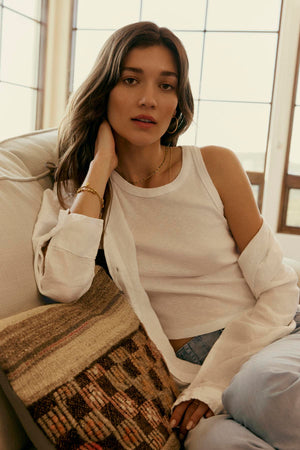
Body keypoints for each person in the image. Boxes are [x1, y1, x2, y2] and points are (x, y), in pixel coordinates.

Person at [33, 21, 300, 449]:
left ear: (178, 101)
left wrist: (215, 386)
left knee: (272, 396)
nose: (148, 100)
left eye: (166, 85)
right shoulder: (79, 192)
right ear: (104, 90)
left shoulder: (215, 166)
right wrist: (101, 167)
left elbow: (280, 289)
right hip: (188, 378)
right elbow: (63, 284)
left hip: (268, 340)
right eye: (130, 79)